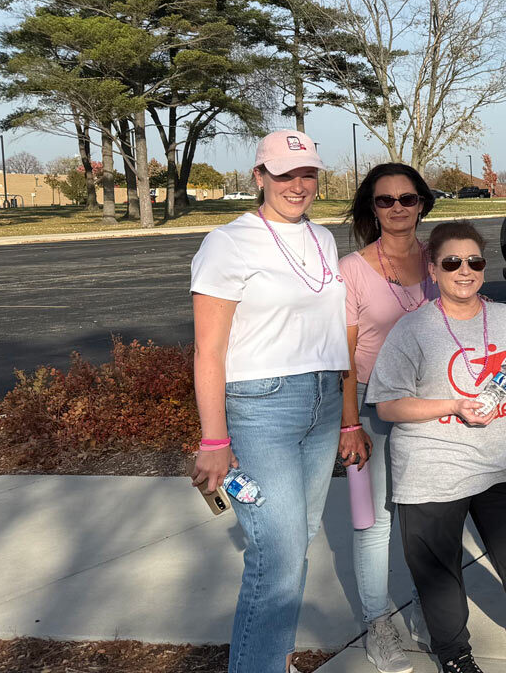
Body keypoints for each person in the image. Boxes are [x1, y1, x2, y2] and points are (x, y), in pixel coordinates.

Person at [368, 222, 506, 673]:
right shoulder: (413, 329)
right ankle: (455, 655)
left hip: (500, 463)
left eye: (474, 261)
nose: (465, 271)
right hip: (433, 468)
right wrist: (455, 404)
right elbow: (389, 406)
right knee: (440, 573)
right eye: (452, 262)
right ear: (433, 270)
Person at [189, 130, 348, 673]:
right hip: (262, 407)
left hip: (323, 402)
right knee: (275, 558)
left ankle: (269, 659)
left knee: (294, 545)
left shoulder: (323, 239)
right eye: (283, 174)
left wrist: (346, 417)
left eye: (307, 174)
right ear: (259, 176)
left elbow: (333, 333)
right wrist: (215, 440)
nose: (297, 185)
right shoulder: (227, 243)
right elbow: (208, 350)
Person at [338, 163, 438, 672]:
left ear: (422, 202)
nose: (398, 208)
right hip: (373, 414)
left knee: (426, 517)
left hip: (433, 411)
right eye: (385, 200)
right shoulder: (351, 269)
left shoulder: (440, 259)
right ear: (370, 208)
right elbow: (344, 355)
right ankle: (378, 624)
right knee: (372, 523)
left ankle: (431, 612)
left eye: (408, 198)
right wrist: (349, 423)